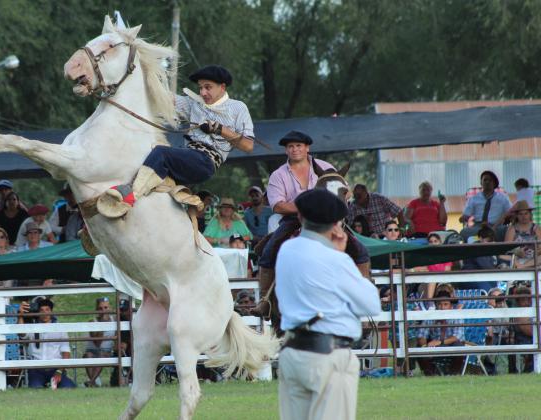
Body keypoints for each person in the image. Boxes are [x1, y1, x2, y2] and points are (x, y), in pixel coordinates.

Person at [276, 188, 380, 420]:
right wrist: (340, 256)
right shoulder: (336, 259)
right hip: (327, 356)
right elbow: (371, 304)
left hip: (292, 351)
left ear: (300, 217)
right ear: (336, 224)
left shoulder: (286, 249)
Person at [98, 64, 255, 218]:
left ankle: (130, 196)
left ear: (222, 87)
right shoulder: (194, 104)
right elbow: (164, 97)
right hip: (187, 155)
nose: (203, 92)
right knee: (149, 150)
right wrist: (137, 78)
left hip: (205, 162)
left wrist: (220, 129)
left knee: (160, 152)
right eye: (200, 88)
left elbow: (248, 146)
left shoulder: (238, 108)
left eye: (208, 87)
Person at [253, 130, 335, 319]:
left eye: (299, 145)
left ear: (307, 148)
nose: (295, 149)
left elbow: (343, 191)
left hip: (325, 219)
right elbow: (278, 205)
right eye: (291, 146)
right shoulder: (278, 175)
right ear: (286, 150)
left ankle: (364, 285)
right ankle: (265, 300)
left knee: (356, 246)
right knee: (269, 250)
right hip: (293, 219)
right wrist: (304, 208)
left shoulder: (325, 167)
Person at [18, 298, 76, 389]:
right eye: (41, 310)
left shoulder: (60, 328)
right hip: (36, 369)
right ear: (38, 313)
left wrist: (59, 371)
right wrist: (20, 315)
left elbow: (66, 352)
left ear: (51, 312)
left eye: (47, 310)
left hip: (55, 368)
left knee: (68, 387)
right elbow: (22, 333)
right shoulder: (32, 327)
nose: (44, 313)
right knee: (36, 388)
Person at [417, 290, 464, 376]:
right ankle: (430, 375)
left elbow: (457, 336)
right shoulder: (431, 316)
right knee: (419, 347)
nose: (442, 307)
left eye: (445, 304)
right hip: (434, 345)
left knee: (459, 346)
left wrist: (440, 342)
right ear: (436, 305)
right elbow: (421, 335)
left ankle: (453, 374)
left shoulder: (456, 315)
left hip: (450, 344)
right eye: (440, 304)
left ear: (451, 306)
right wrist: (425, 346)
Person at [460, 170, 512, 241]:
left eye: (490, 180)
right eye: (485, 180)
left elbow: (511, 212)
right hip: (478, 227)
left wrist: (506, 219)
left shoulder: (503, 198)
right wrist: (463, 218)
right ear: (481, 183)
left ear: (494, 183)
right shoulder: (474, 199)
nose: (487, 182)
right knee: (464, 232)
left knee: (506, 230)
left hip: (496, 226)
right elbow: (465, 215)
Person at [83, 297, 116, 387]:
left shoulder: (115, 320)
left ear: (110, 308)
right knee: (88, 355)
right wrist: (102, 323)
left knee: (102, 355)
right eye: (100, 308)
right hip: (92, 350)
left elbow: (118, 338)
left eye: (106, 307)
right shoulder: (92, 322)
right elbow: (97, 343)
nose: (103, 310)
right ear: (97, 310)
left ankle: (91, 382)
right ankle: (93, 381)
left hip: (107, 351)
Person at [503, 201, 540, 268]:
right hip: (517, 258)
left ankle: (523, 266)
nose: (524, 216)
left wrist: (537, 251)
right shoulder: (512, 229)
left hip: (533, 258)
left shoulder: (536, 228)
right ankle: (520, 265)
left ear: (530, 214)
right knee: (502, 256)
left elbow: (540, 245)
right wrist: (517, 252)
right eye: (521, 214)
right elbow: (506, 248)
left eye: (526, 214)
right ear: (517, 216)